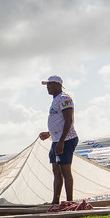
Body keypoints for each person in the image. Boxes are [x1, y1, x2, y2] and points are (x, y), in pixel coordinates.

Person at [37, 75, 78, 205]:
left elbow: (68, 120)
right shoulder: (56, 100)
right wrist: (50, 133)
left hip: (66, 140)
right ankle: (56, 200)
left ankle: (70, 201)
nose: (48, 87)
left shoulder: (64, 98)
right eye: (47, 85)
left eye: (50, 84)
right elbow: (58, 121)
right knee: (56, 170)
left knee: (65, 170)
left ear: (58, 85)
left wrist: (61, 141)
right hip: (56, 139)